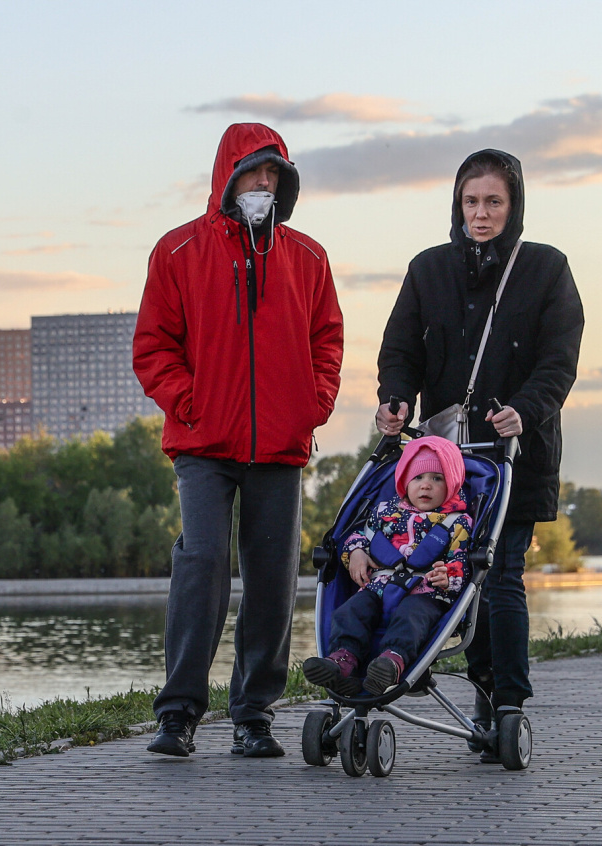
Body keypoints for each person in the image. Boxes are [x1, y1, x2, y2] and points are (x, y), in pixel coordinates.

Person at [133, 123, 344, 757]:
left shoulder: (309, 258)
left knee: (274, 578)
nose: (264, 183)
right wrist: (190, 403)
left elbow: (327, 341)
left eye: (274, 174)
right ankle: (178, 714)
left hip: (280, 446)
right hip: (203, 443)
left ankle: (253, 714)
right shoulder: (177, 251)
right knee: (201, 564)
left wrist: (312, 405)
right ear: (228, 177)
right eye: (253, 171)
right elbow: (153, 347)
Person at [375, 149, 584, 761]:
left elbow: (559, 359)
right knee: (451, 576)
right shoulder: (428, 269)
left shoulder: (546, 269)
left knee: (500, 576)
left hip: (516, 453)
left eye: (494, 201)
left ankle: (507, 701)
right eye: (471, 201)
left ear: (513, 205)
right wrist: (395, 400)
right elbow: (400, 350)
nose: (482, 213)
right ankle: (473, 684)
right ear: (457, 205)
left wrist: (526, 408)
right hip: (444, 462)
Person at [303, 436, 473, 696]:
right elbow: (359, 535)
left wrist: (448, 576)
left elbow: (461, 560)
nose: (426, 484)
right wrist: (356, 552)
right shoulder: (384, 513)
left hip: (425, 592)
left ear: (452, 483)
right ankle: (344, 659)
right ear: (405, 482)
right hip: (379, 586)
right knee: (350, 611)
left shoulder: (457, 522)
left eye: (437, 479)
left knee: (411, 618)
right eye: (418, 478)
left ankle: (391, 662)